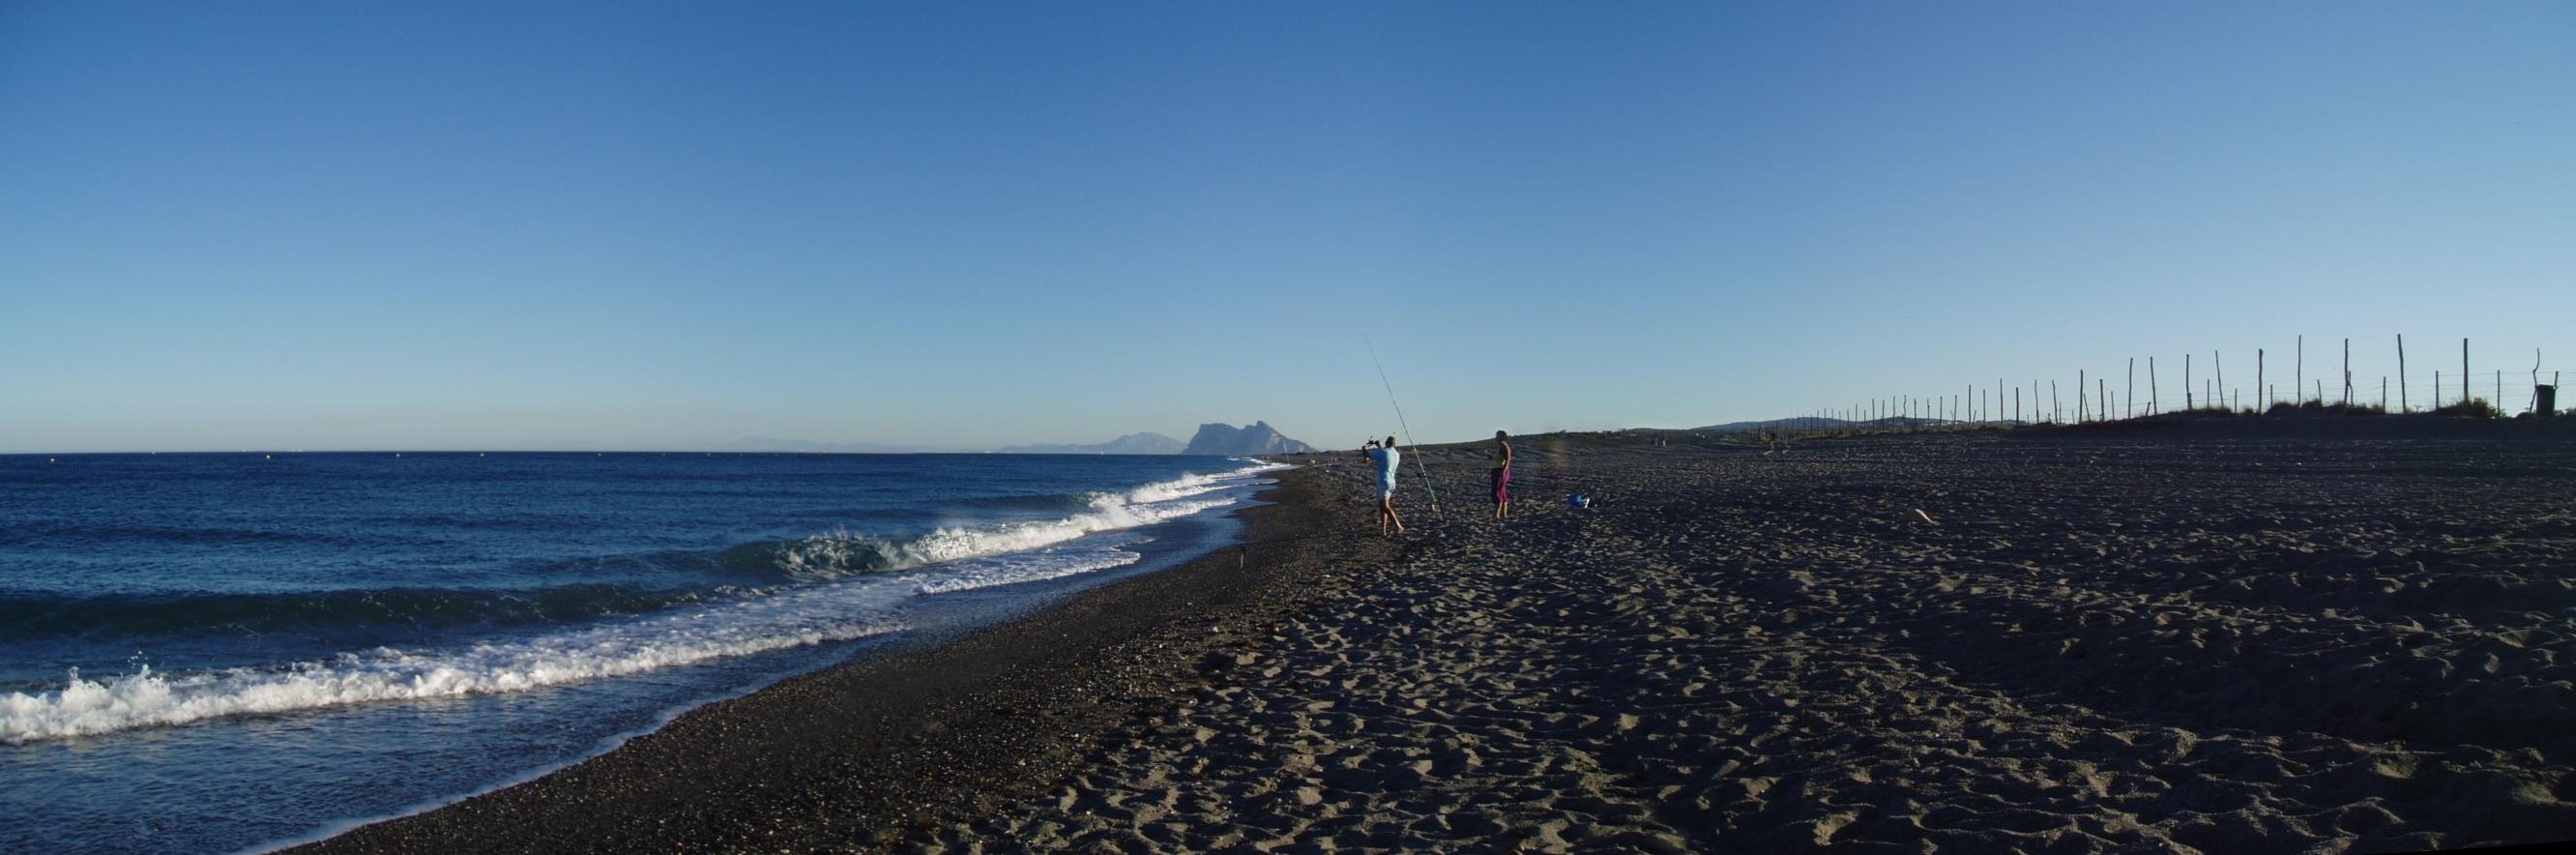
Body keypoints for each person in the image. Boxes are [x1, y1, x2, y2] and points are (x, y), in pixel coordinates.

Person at [1365, 436, 1404, 537]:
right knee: (1382, 507)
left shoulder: (1384, 452)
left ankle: (1398, 526)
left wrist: (1364, 449)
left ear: (1387, 443)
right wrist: (1378, 446)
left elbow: (1369, 454)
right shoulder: (1396, 454)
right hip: (1391, 482)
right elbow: (1384, 455)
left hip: (1384, 481)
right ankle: (1383, 532)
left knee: (1384, 506)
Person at [1489, 429, 1513, 518]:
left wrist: (1504, 470)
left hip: (1499, 471)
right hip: (1497, 469)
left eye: (1498, 436)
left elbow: (1508, 458)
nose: (1496, 438)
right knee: (1502, 491)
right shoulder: (1500, 447)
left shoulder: (1504, 446)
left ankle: (1497, 514)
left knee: (1496, 492)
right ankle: (1503, 514)